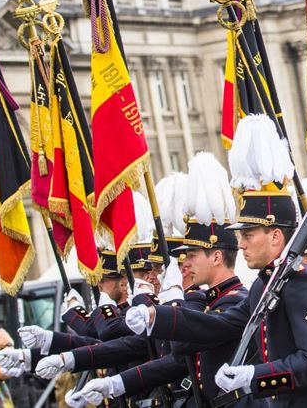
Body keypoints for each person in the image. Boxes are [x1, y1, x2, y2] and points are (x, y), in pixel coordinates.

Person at [123, 114, 307, 407]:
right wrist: (155, 317)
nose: (241, 244)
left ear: (275, 237)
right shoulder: (265, 285)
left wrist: (255, 376)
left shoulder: (302, 283)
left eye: (249, 234)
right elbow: (216, 326)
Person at [64, 152, 253, 408]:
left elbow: (180, 346)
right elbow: (157, 353)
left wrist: (178, 300)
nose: (184, 263)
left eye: (191, 255)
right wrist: (114, 382)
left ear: (217, 256)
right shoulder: (207, 302)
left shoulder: (234, 302)